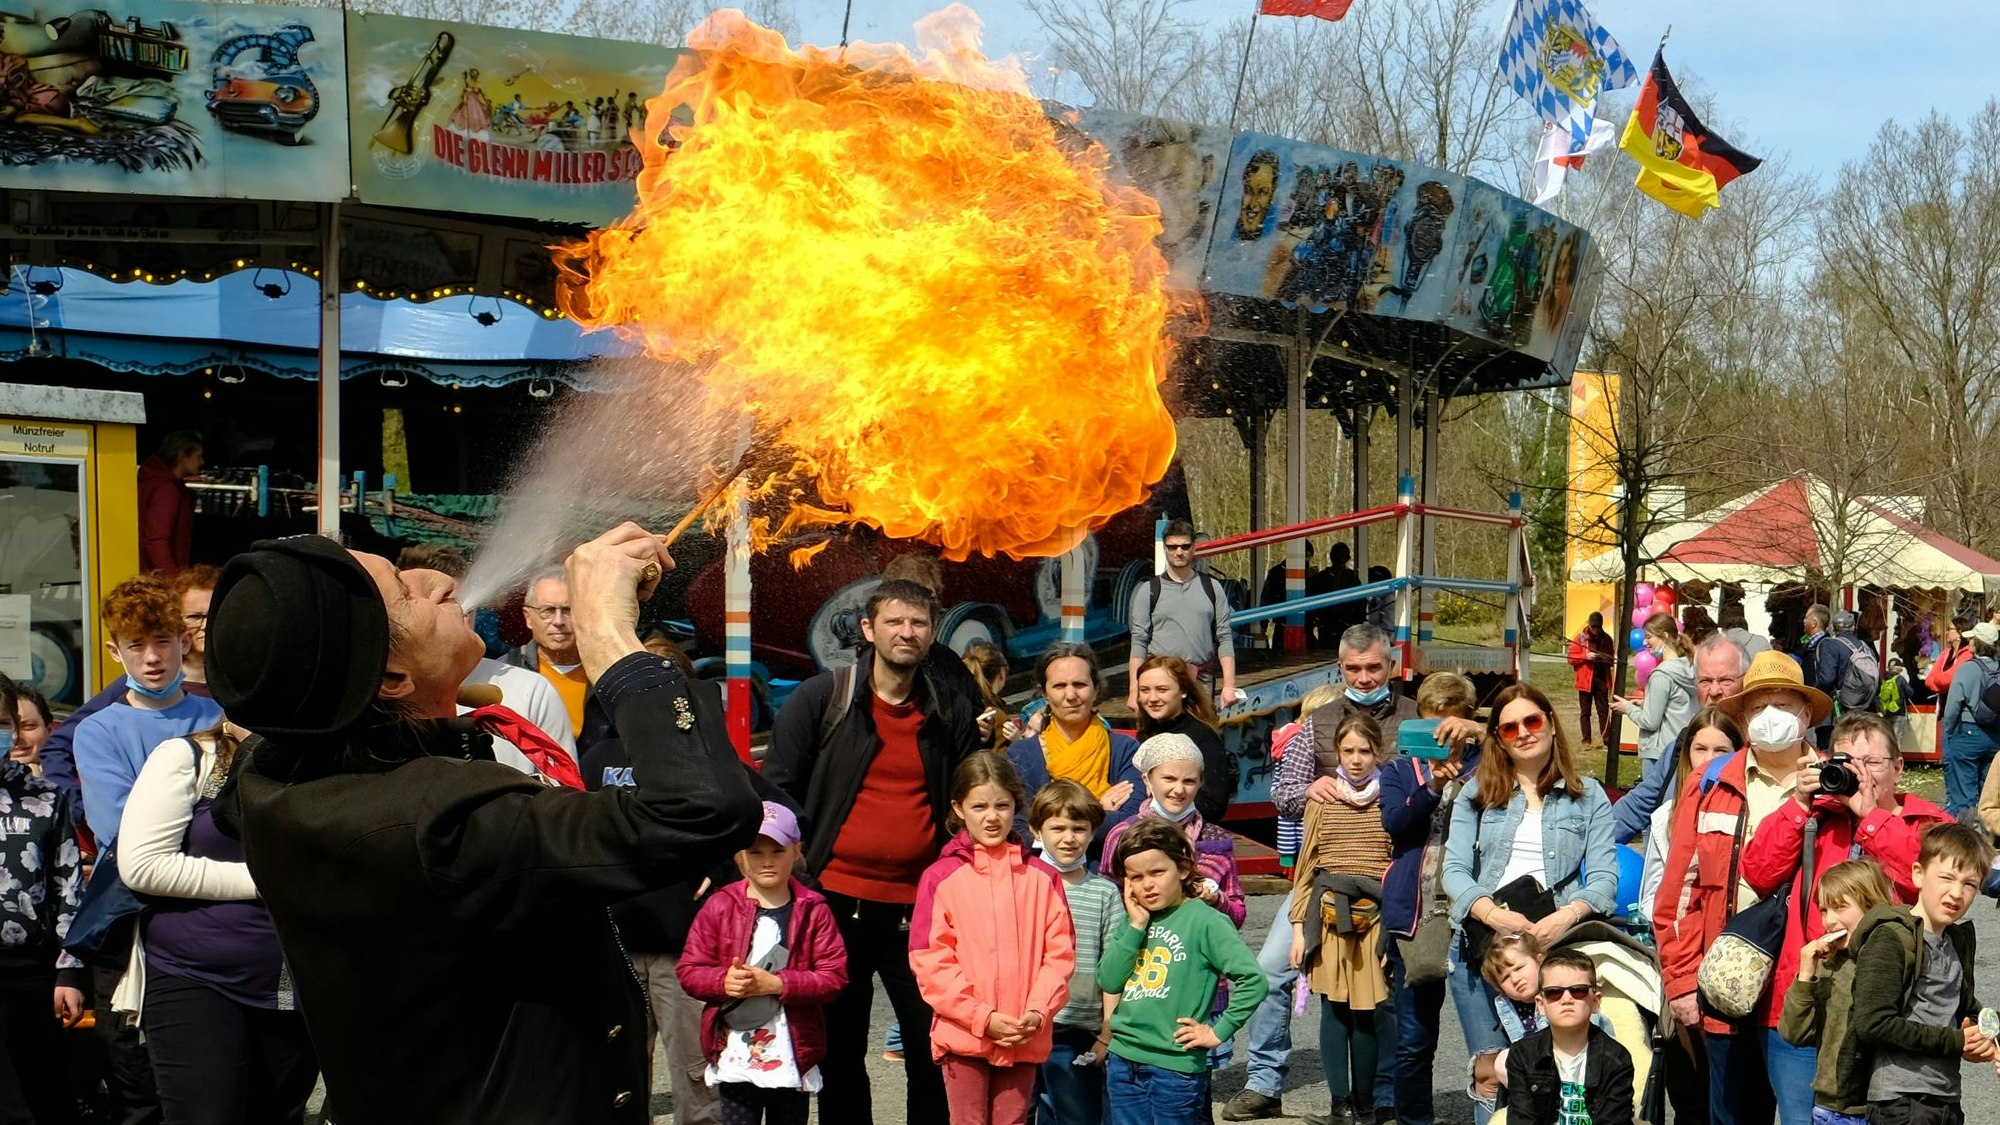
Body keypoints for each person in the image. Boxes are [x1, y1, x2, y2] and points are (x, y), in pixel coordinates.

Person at [208, 525, 765, 1123]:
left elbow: (268, 739)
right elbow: (701, 810)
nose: (441, 580)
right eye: (404, 590)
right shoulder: (439, 822)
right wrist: (606, 634)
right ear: (392, 680)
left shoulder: (271, 781)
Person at [1236, 624, 1480, 1123]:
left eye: (1374, 667)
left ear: (1391, 666)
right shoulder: (1320, 721)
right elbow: (1282, 792)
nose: (1365, 677)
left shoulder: (1418, 715)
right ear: (1340, 669)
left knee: (1391, 988)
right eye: (1353, 669)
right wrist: (1312, 788)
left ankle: (1385, 1094)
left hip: (1400, 868)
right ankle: (1264, 1079)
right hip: (1326, 872)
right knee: (1270, 967)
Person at [763, 577, 978, 1124]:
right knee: (841, 1051)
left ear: (932, 633)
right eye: (895, 621)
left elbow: (971, 799)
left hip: (921, 913)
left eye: (919, 623)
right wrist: (788, 874)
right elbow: (777, 788)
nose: (907, 632)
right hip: (834, 904)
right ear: (868, 630)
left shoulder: (948, 710)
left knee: (930, 1050)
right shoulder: (823, 698)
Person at [1737, 711, 1950, 1125]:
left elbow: (1933, 888)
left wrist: (1872, 819)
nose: (1859, 772)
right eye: (1846, 762)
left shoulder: (1927, 824)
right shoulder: (1814, 818)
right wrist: (1798, 804)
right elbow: (1758, 873)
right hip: (1807, 1005)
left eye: (1871, 762)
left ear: (1899, 767)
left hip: (1892, 1013)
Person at [70, 575, 224, 1125]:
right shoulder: (97, 731)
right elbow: (119, 834)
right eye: (136, 645)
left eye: (162, 640)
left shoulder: (219, 717)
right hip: (137, 922)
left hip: (214, 915)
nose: (153, 658)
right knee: (142, 1083)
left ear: (184, 641)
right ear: (115, 651)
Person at [1653, 649, 1829, 1125]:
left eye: (1785, 704)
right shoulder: (1711, 783)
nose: (1771, 715)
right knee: (1731, 1117)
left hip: (1806, 988)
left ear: (1807, 714)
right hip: (1725, 981)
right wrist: (1683, 982)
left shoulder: (1834, 782)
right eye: (1759, 705)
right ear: (1745, 716)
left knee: (1804, 1117)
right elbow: (1677, 897)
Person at [117, 719, 318, 1125]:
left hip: (302, 984)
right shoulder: (190, 758)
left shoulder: (329, 761)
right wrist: (265, 881)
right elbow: (143, 865)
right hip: (198, 975)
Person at [1442, 682, 1618, 1100]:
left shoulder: (1589, 795)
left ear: (1552, 725)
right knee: (1492, 1075)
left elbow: (1605, 879)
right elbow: (1453, 871)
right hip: (1484, 950)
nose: (1523, 732)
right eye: (1508, 728)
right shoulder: (1476, 793)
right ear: (1499, 741)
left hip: (1554, 952)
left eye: (1532, 720)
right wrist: (1495, 916)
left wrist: (1567, 915)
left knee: (1557, 1079)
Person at [912, 756, 1075, 1125]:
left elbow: (1060, 957)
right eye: (979, 806)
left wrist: (1036, 1011)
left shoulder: (1043, 878)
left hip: (1024, 1031)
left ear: (1016, 805)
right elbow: (930, 961)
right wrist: (982, 1017)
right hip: (964, 1033)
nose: (992, 817)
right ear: (958, 808)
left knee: (1013, 1120)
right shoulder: (940, 878)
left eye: (1002, 805)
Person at [677, 802, 848, 1125]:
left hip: (793, 1049)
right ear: (738, 856)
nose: (767, 861)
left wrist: (781, 984)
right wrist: (722, 982)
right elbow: (689, 970)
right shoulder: (719, 906)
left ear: (796, 851)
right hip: (735, 1050)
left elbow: (834, 976)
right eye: (755, 852)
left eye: (778, 850)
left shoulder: (814, 910)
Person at [1097, 820, 1268, 1125]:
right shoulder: (1135, 921)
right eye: (1136, 877)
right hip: (1123, 1061)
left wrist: (1218, 1031)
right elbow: (1109, 980)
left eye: (1157, 872)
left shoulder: (1205, 920)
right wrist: (1135, 926)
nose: (1147, 884)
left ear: (1184, 869)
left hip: (1174, 1068)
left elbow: (1253, 980)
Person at [1378, 671, 1481, 1125]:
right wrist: (1434, 786)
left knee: (1492, 1028)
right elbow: (1396, 825)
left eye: (1452, 727)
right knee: (1415, 1038)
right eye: (1431, 726)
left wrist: (1481, 738)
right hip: (1416, 913)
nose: (1441, 737)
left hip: (1476, 910)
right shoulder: (1400, 769)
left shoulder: (1492, 762)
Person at [1847, 823, 1997, 1123]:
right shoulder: (1890, 938)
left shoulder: (1955, 941)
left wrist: (1988, 1037)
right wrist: (1956, 1041)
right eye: (1946, 878)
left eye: (1970, 884)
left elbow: (1967, 1009)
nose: (1957, 893)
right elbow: (1873, 1023)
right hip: (1901, 1103)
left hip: (1945, 1099)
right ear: (1918, 874)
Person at [1287, 714, 1393, 1125]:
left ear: (1377, 752)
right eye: (1347, 751)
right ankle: (1339, 1104)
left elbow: (1397, 864)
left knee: (1366, 1011)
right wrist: (1299, 927)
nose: (1355, 760)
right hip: (1328, 914)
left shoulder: (1390, 796)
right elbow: (1307, 864)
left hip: (1374, 917)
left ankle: (1366, 1101)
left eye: (1364, 751)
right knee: (1333, 1008)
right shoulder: (1322, 798)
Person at [0, 673, 84, 1124]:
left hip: (29, 972)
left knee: (40, 1099)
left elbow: (68, 888)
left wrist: (68, 973)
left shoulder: (46, 798)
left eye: (0, 721)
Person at [1777, 858, 1897, 1125]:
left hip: (1884, 1104)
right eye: (1823, 910)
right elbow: (1794, 1033)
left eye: (1840, 907)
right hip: (1832, 1109)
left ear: (1871, 904)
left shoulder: (1892, 958)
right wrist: (1806, 977)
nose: (1829, 921)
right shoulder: (1828, 965)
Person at [1028, 779, 1121, 1125]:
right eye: (1058, 828)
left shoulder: (1104, 893)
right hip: (1024, 1025)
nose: (1069, 838)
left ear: (1093, 830)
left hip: (1078, 1028)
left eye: (1079, 828)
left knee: (1077, 1115)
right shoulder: (1024, 882)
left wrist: (1106, 1034)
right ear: (1038, 829)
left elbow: (1114, 966)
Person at [1611, 633, 1748, 846]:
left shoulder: (1760, 750)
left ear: (1745, 681)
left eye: (1725, 680)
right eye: (1705, 681)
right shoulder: (1681, 745)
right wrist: (1591, 841)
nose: (1714, 691)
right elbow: (1640, 803)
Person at [1101, 734, 1245, 929]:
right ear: (1147, 780)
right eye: (1169, 779)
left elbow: (1237, 915)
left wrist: (1215, 899)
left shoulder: (1215, 840)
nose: (1179, 790)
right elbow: (1108, 903)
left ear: (1201, 783)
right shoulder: (1123, 834)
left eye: (1189, 781)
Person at [1009, 643, 1144, 850]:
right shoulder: (1021, 755)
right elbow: (1018, 829)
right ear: (1044, 692)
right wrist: (1097, 810)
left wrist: (1049, 825)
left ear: (1096, 689)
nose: (1071, 695)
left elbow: (1130, 824)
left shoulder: (1125, 750)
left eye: (1079, 684)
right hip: (1041, 873)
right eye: (1059, 686)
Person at [1494, 949, 1635, 1125]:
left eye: (1578, 991)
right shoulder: (1522, 1055)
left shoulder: (1617, 1059)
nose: (1566, 999)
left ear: (1595, 1002)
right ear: (1541, 1004)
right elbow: (1522, 1119)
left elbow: (1613, 1121)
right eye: (1554, 992)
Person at [1637, 709, 1743, 927]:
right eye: (1701, 749)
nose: (1709, 759)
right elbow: (1651, 895)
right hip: (1681, 934)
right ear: (1688, 753)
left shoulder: (1749, 813)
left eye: (1721, 751)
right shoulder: (1664, 816)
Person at [1128, 521, 1241, 711]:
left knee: (1202, 737)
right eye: (1172, 547)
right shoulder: (1148, 591)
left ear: (1194, 548)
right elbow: (1139, 642)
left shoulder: (1212, 588)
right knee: (1162, 739)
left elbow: (1224, 637)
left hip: (1201, 681)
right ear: (1165, 548)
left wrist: (1229, 686)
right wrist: (1134, 690)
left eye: (1185, 546)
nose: (1179, 552)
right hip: (1160, 683)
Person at [881, 553, 986, 719]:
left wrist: (981, 729)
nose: (908, 632)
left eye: (929, 597)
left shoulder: (947, 661)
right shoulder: (870, 673)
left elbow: (974, 711)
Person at [1132, 655, 1232, 823]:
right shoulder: (1144, 734)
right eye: (1145, 690)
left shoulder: (1202, 737)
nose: (1152, 698)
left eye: (1162, 689)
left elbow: (1214, 804)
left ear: (1183, 691)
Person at [1611, 613, 1698, 771]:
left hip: (1659, 755)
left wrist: (1628, 709)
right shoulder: (1689, 668)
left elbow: (1650, 722)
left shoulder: (1661, 675)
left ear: (1664, 636)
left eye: (1649, 637)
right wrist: (1646, 703)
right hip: (1681, 749)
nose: (1645, 642)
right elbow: (1678, 704)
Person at [1937, 621, 2000, 822]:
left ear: (1977, 644)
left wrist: (1949, 730)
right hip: (1995, 736)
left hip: (1968, 733)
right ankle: (1987, 838)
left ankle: (1964, 839)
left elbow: (1954, 705)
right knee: (1988, 793)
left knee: (1963, 794)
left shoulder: (1967, 669)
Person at [517, 568, 589, 738]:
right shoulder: (509, 670)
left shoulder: (607, 672)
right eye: (548, 611)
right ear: (528, 617)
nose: (558, 621)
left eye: (568, 610)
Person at [138, 430, 202, 578]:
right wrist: (174, 579)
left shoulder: (150, 481)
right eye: (198, 456)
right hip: (160, 577)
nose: (201, 461)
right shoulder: (166, 490)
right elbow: (156, 539)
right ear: (182, 456)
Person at [1803, 606, 1848, 748]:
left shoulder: (1825, 645)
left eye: (1806, 617)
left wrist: (1813, 693)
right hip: (1823, 709)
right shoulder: (1815, 645)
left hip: (1826, 709)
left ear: (1814, 622)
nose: (1803, 621)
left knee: (1825, 744)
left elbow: (1826, 678)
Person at [1567, 612, 1614, 747]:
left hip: (1601, 680)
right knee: (1585, 712)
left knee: (1603, 711)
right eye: (1593, 627)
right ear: (1589, 625)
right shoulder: (1580, 638)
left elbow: (1611, 659)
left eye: (1598, 627)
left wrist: (1604, 658)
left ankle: (1606, 739)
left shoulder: (1607, 639)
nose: (1595, 630)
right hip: (1585, 681)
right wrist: (1585, 656)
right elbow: (1570, 658)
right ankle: (1586, 740)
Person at [960, 640, 1014, 752]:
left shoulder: (958, 708)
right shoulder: (996, 717)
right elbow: (1001, 763)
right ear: (1001, 673)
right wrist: (1019, 741)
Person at [172, 565, 219, 691]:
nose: (205, 626)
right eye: (195, 617)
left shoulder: (245, 681)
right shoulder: (153, 683)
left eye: (214, 615)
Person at [1924, 614, 1975, 700]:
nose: (1946, 632)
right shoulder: (1946, 653)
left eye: (1949, 629)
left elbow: (1946, 679)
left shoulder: (1967, 654)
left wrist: (1939, 680)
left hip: (1958, 702)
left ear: (1960, 632)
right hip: (1942, 702)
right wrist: (1943, 688)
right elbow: (1929, 680)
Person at [10, 685, 52, 774]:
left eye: (28, 726)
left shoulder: (77, 778)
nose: (15, 737)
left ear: (49, 731)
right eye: (4, 726)